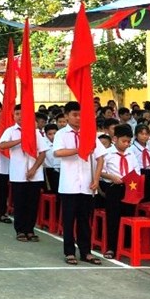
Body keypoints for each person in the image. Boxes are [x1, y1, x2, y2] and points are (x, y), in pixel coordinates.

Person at [53, 102, 104, 265]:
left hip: (87, 184)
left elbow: (100, 157)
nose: (78, 118)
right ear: (66, 116)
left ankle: (85, 252)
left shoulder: (90, 134)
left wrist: (96, 179)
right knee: (69, 220)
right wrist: (79, 149)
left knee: (84, 221)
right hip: (69, 185)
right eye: (74, 115)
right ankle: (69, 252)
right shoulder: (61, 134)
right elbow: (58, 152)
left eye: (81, 115)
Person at [0, 105, 50, 242]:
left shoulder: (36, 133)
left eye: (22, 114)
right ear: (13, 116)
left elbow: (43, 153)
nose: (20, 116)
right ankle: (20, 230)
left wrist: (34, 169)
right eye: (17, 114)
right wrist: (21, 139)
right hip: (18, 174)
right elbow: (2, 145)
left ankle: (30, 230)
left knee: (32, 204)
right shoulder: (10, 131)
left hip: (35, 174)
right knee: (20, 203)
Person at [94, 124, 140, 260]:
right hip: (113, 187)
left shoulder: (131, 154)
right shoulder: (107, 153)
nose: (126, 144)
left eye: (128, 142)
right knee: (113, 218)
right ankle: (111, 247)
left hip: (129, 187)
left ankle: (126, 245)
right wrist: (111, 177)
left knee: (128, 215)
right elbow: (99, 171)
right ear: (115, 139)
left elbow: (137, 171)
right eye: (123, 141)